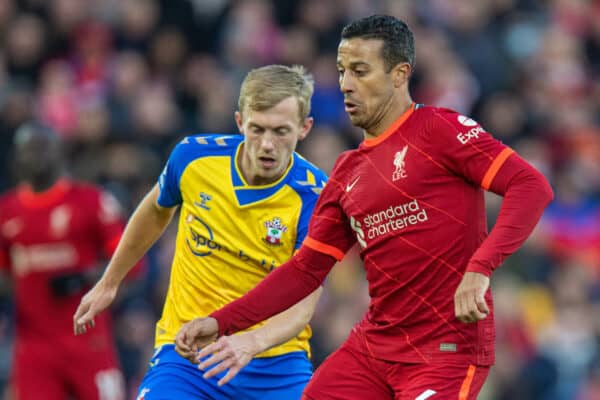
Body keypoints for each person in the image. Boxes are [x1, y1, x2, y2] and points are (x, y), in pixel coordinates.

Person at [174, 15, 554, 400]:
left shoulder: (439, 130)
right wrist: (221, 322)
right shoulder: (346, 172)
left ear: (399, 74)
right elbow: (305, 271)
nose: (345, 85)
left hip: (445, 351)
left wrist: (480, 267)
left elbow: (530, 186)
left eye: (359, 71)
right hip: (374, 349)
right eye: (341, 71)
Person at [73, 64, 327, 400]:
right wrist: (110, 281)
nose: (267, 145)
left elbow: (302, 304)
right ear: (239, 122)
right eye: (257, 129)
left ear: (304, 128)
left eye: (281, 131)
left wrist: (248, 342)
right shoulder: (195, 157)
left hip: (275, 365)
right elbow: (155, 209)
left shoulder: (316, 197)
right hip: (188, 357)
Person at [0, 122, 127, 400]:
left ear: (59, 152)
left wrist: (87, 278)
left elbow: (130, 263)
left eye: (42, 148)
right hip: (34, 349)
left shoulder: (91, 203)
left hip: (90, 343)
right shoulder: (6, 212)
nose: (35, 157)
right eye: (28, 150)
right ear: (16, 157)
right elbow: (5, 277)